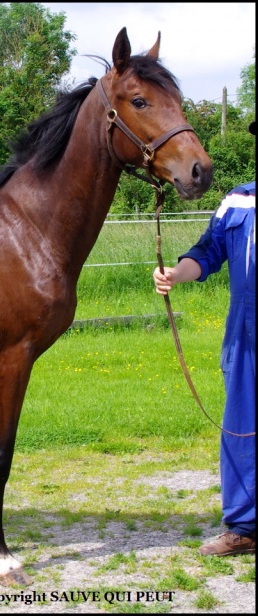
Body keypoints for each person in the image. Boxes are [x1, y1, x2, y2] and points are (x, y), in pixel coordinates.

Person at [152, 120, 255, 557]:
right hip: (245, 334)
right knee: (241, 429)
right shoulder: (238, 200)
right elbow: (208, 252)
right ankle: (244, 527)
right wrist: (178, 273)